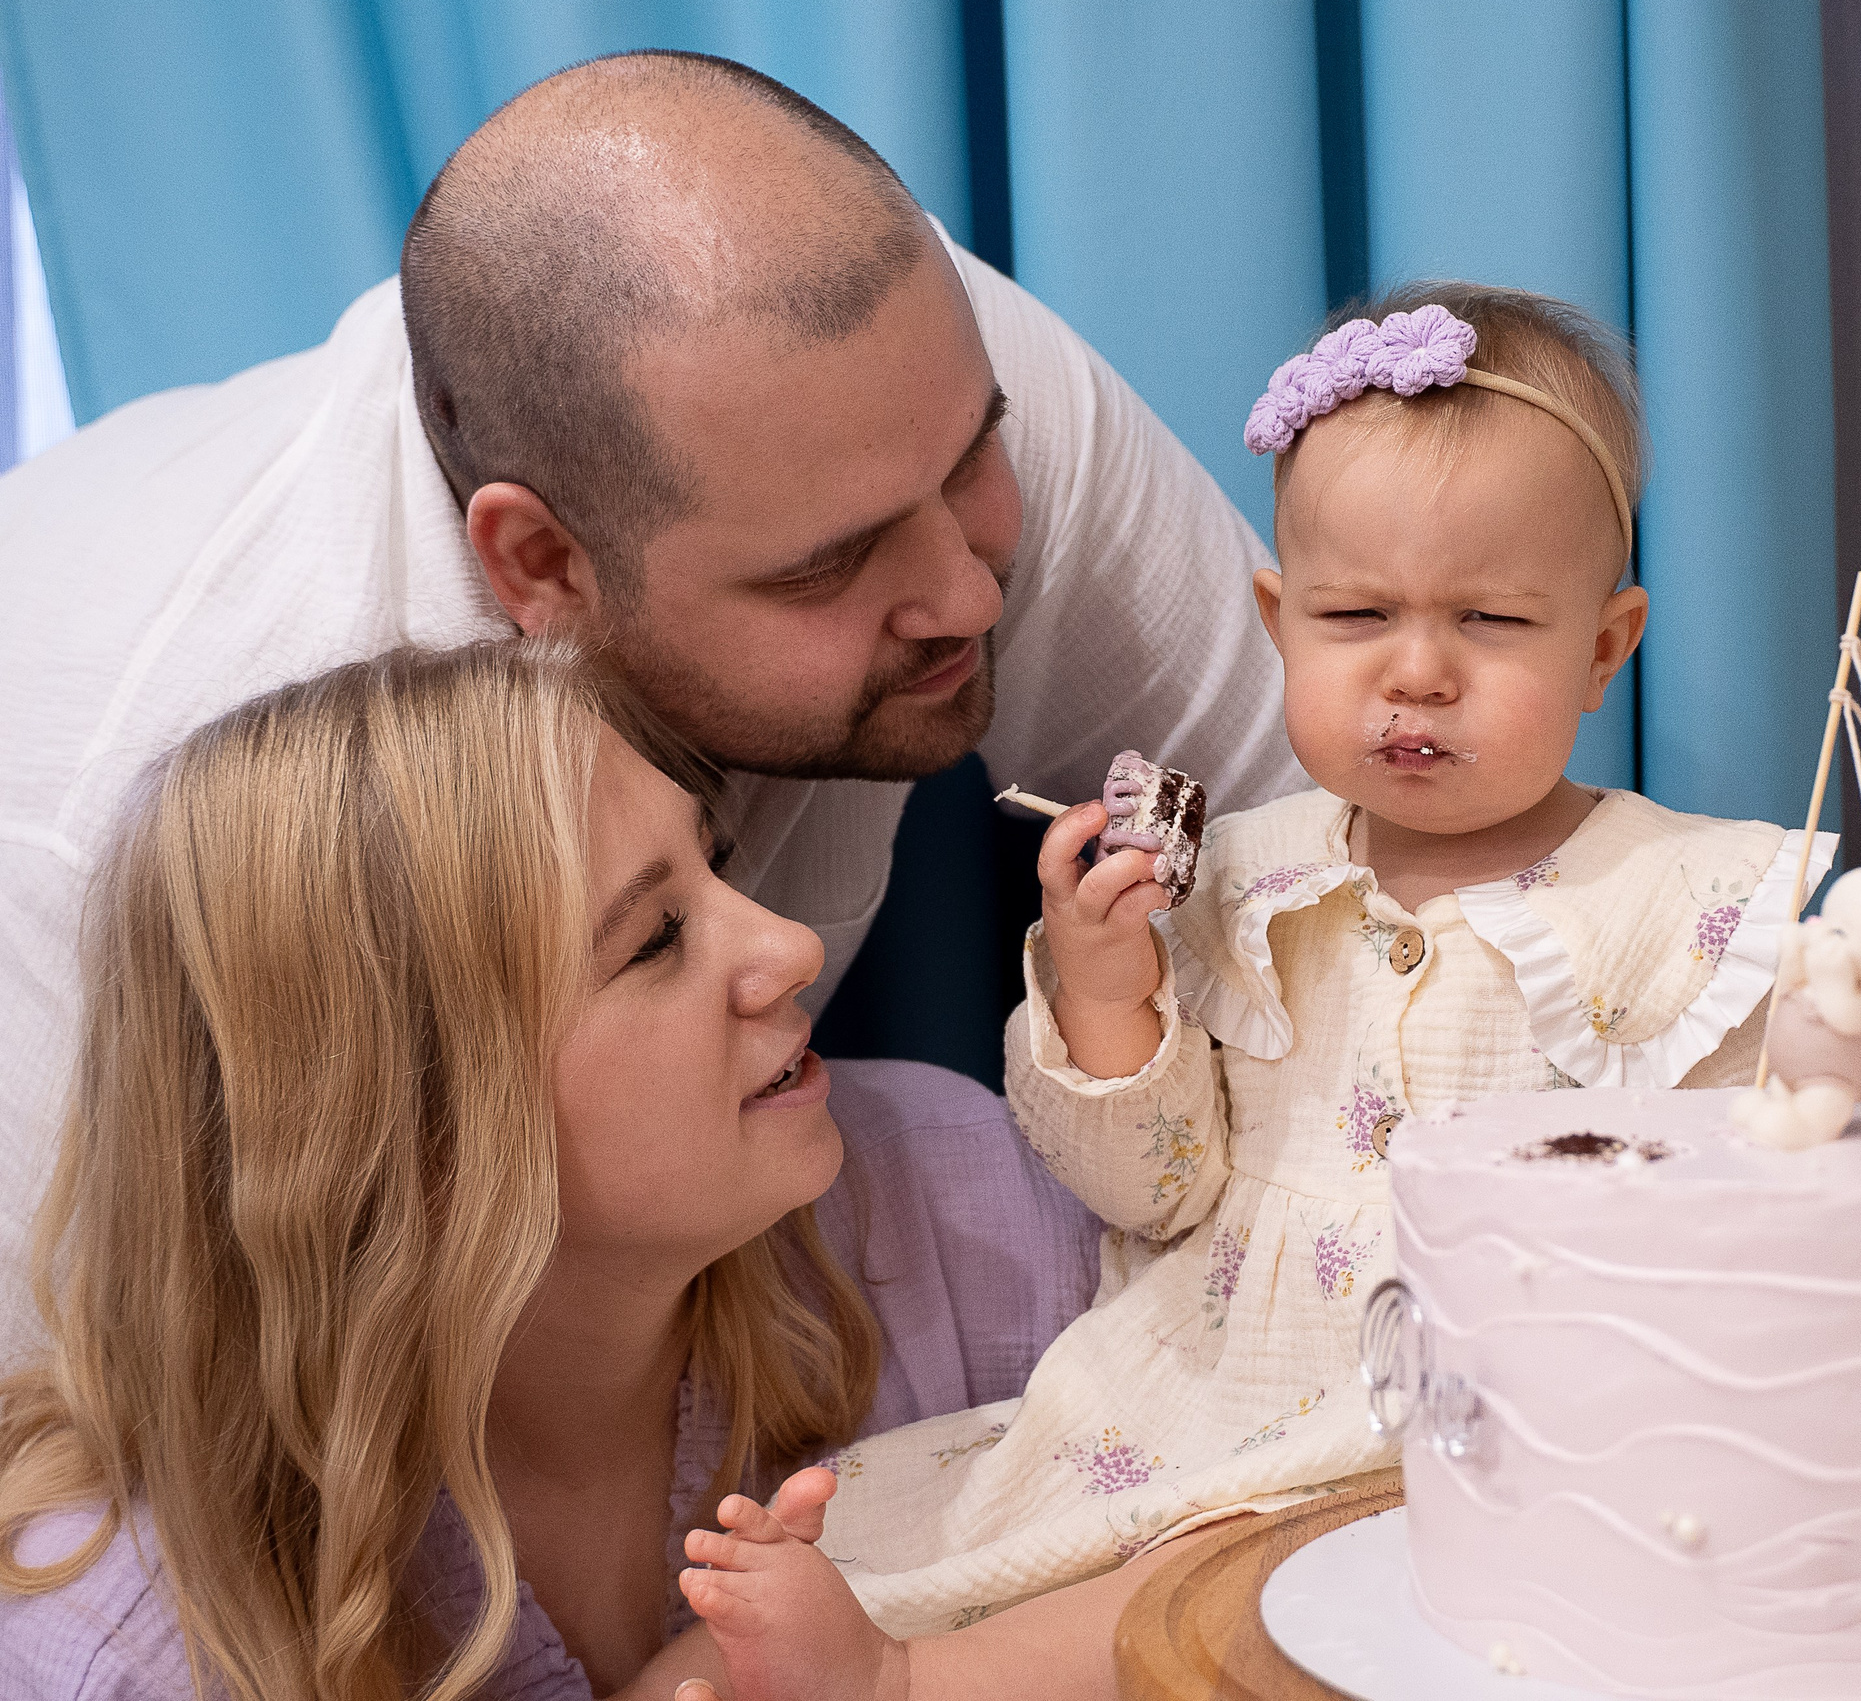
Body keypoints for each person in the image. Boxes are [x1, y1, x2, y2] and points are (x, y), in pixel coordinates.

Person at [0, 49, 1301, 1366]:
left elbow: (1366, 850)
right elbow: (113, 1492)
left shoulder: (891, 380)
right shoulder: (91, 868)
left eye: (979, 458)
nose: (967, 594)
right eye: (824, 565)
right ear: (544, 566)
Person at [664, 284, 1834, 1694]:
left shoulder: (1674, 902)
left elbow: (1751, 1208)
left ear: (1602, 645)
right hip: (1202, 1377)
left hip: (1476, 1407)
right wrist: (1107, 988)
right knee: (957, 1543)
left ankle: (904, 1682)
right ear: (1280, 621)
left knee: (1224, 1589)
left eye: (1492, 619)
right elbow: (1153, 1184)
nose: (1417, 671)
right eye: (1356, 614)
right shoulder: (1239, 879)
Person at [0, 642, 1203, 1700]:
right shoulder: (130, 1642)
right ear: (412, 1132)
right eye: (657, 940)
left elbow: (1328, 1509)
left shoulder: (951, 1207)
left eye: (714, 861)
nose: (788, 948)